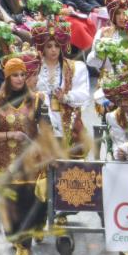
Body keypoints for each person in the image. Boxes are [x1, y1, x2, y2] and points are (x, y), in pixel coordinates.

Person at [0, 55, 47, 255]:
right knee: (9, 208)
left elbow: (45, 130)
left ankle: (25, 249)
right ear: (7, 77)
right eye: (15, 75)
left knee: (27, 204)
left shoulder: (36, 100)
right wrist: (10, 135)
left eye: (22, 74)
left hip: (30, 163)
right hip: (4, 163)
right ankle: (16, 240)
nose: (20, 78)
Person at [32, 17, 91, 157]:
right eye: (49, 46)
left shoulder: (75, 67)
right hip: (41, 121)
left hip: (67, 122)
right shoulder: (34, 68)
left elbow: (84, 95)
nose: (53, 50)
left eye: (57, 46)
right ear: (42, 48)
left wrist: (65, 97)